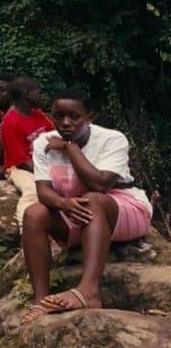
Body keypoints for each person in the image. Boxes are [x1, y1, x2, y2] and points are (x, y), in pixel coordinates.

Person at [19, 90, 152, 323]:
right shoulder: (44, 142)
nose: (65, 123)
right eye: (58, 116)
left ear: (89, 116)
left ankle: (89, 291)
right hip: (77, 212)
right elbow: (43, 191)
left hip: (122, 207)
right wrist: (63, 203)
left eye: (74, 117)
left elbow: (100, 183)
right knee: (34, 214)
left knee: (93, 198)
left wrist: (69, 148)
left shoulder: (112, 139)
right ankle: (41, 298)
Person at [0, 76, 55, 224]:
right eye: (38, 91)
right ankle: (26, 233)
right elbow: (22, 161)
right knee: (34, 191)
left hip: (43, 163)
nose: (41, 95)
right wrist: (46, 174)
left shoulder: (38, 114)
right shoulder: (10, 122)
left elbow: (54, 137)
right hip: (19, 168)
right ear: (28, 94)